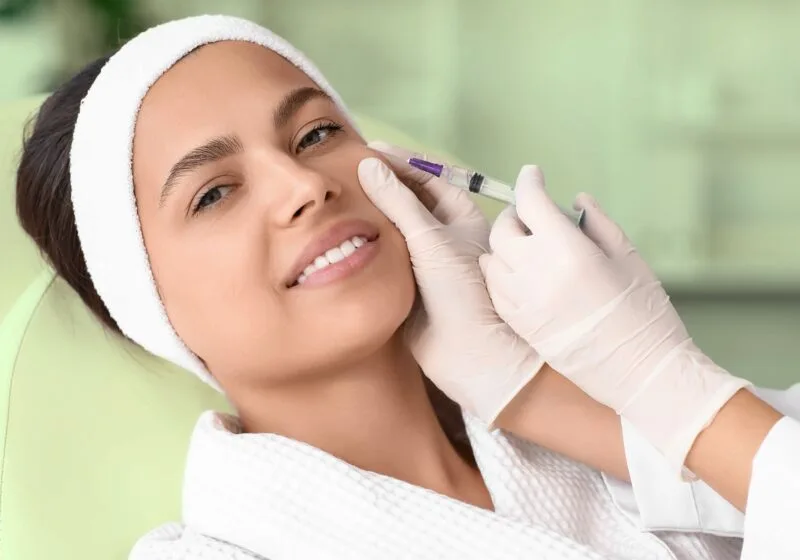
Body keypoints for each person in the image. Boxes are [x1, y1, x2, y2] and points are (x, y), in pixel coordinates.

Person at [12, 14, 785, 560]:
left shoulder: (607, 429)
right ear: (142, 306)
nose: (302, 187)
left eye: (316, 134)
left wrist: (568, 395)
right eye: (214, 193)